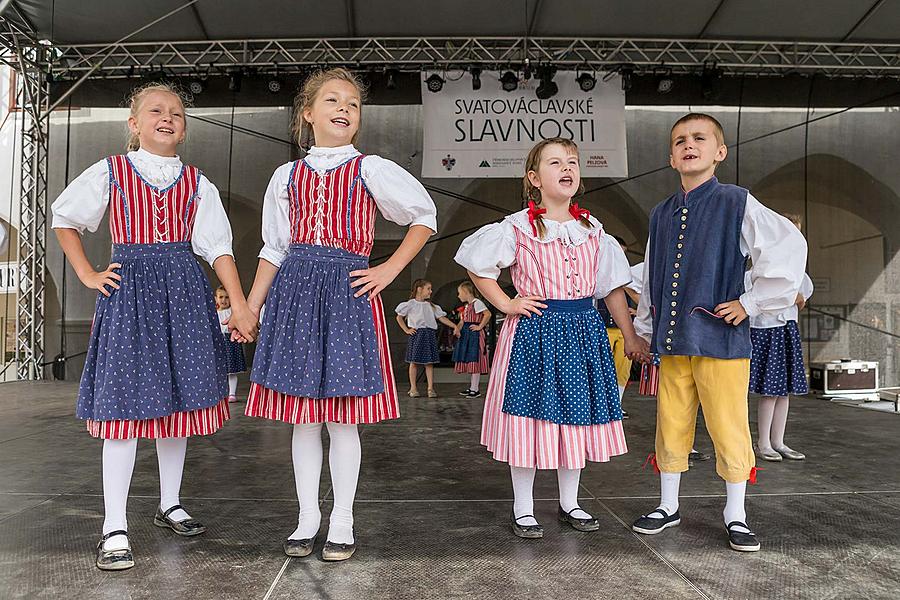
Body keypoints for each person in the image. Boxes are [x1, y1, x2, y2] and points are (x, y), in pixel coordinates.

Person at [52, 83, 257, 570]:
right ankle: (114, 525)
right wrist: (87, 273)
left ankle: (169, 502)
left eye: (177, 113)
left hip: (185, 295)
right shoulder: (111, 171)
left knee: (177, 403)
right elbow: (65, 218)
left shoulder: (197, 182)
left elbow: (218, 248)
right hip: (131, 294)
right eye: (156, 111)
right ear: (134, 123)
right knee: (124, 407)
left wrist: (243, 304)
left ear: (184, 127)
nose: (168, 118)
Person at [243, 68, 437, 561]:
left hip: (350, 290)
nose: (344, 108)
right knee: (304, 419)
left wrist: (389, 270)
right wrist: (250, 305)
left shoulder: (371, 169)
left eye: (352, 103)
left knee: (343, 419)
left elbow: (423, 215)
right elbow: (275, 247)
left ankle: (344, 518)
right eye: (332, 100)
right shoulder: (286, 176)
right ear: (307, 114)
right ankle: (308, 515)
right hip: (297, 295)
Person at [630, 113, 807, 552]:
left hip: (722, 339)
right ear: (671, 158)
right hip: (674, 340)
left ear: (719, 152)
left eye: (699, 138)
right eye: (680, 141)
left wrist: (749, 303)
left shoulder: (736, 200)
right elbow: (653, 274)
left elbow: (787, 247)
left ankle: (736, 513)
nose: (689, 145)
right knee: (671, 421)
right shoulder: (660, 213)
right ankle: (668, 506)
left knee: (729, 425)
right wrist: (646, 328)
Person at [455, 137, 640, 539]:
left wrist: (629, 335)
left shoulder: (594, 231)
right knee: (528, 420)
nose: (567, 168)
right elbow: (477, 265)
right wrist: (506, 303)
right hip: (535, 331)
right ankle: (523, 507)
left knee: (576, 417)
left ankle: (570, 501)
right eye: (555, 162)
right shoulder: (518, 228)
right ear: (534, 178)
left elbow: (611, 289)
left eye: (572, 161)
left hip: (582, 331)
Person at [749, 213, 814, 462]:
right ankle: (763, 442)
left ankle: (778, 441)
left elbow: (800, 300)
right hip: (767, 330)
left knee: (783, 389)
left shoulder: (797, 271)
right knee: (771, 389)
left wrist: (793, 298)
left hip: (786, 327)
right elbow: (761, 299)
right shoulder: (761, 267)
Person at [395, 279, 457, 398]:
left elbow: (441, 318)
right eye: (428, 288)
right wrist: (406, 329)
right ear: (419, 289)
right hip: (417, 334)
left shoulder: (431, 306)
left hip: (429, 334)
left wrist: (454, 325)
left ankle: (430, 388)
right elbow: (399, 317)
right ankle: (413, 388)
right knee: (413, 362)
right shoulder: (410, 304)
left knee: (429, 363)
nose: (431, 291)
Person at [452, 280, 491, 398]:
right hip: (467, 334)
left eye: (459, 293)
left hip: (475, 335)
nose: (458, 296)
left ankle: (475, 389)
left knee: (475, 359)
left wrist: (480, 326)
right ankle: (472, 388)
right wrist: (457, 329)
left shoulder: (477, 303)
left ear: (466, 292)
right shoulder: (467, 306)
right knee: (470, 359)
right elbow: (462, 321)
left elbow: (487, 314)